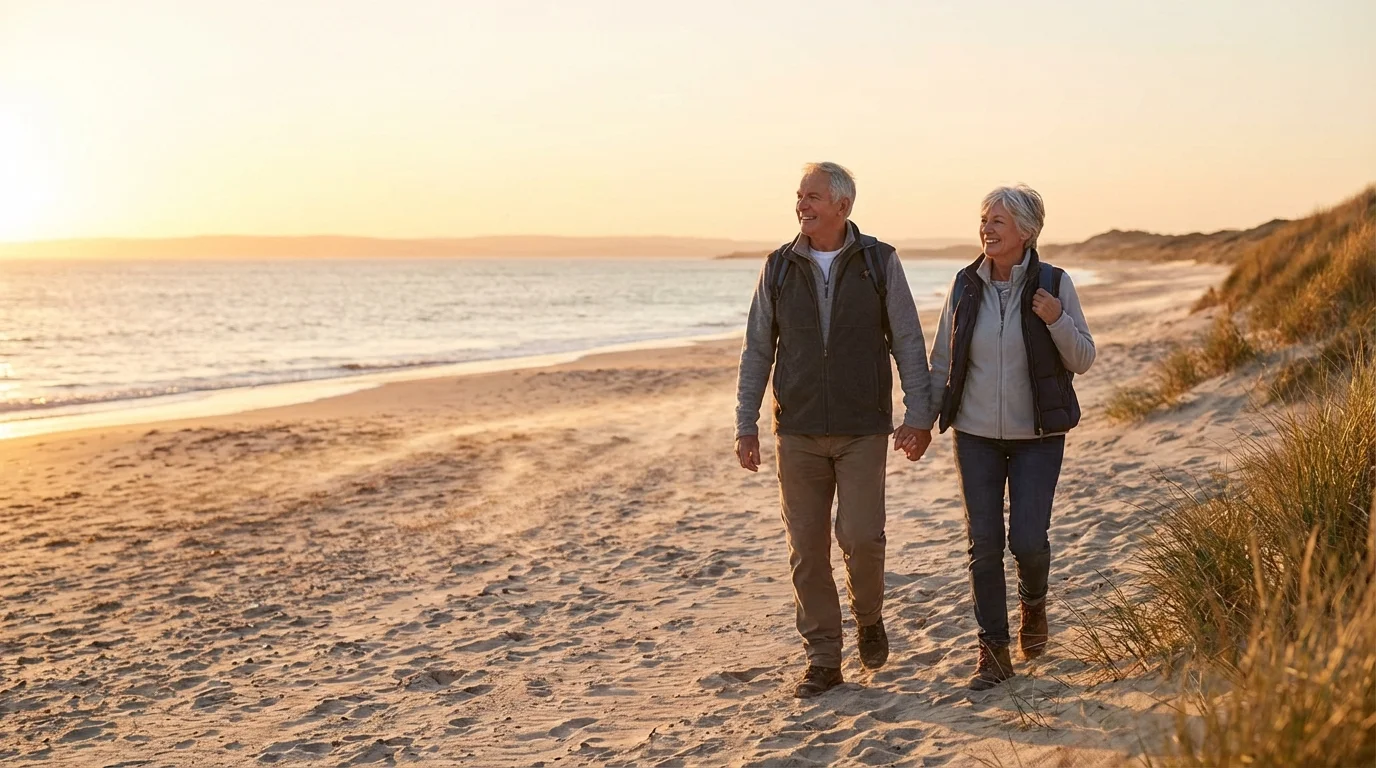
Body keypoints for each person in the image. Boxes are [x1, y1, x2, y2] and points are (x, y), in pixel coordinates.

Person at [733, 162, 935, 699]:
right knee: (807, 550)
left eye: (814, 196)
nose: (802, 204)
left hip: (861, 428)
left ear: (843, 206)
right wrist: (745, 423)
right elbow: (757, 349)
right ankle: (824, 657)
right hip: (795, 430)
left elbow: (908, 341)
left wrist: (920, 414)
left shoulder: (878, 262)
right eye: (799, 195)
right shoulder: (778, 267)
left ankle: (868, 617)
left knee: (862, 537)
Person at [924, 184, 1096, 690]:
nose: (987, 229)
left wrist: (1056, 319)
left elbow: (1083, 358)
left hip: (1037, 436)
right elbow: (942, 360)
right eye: (984, 219)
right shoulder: (964, 285)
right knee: (983, 542)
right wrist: (921, 420)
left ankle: (1034, 605)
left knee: (1027, 540)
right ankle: (993, 652)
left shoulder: (1055, 283)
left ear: (1027, 230)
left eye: (998, 221)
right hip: (975, 434)